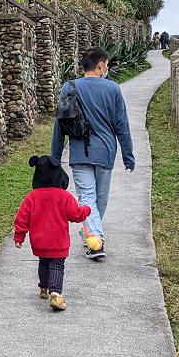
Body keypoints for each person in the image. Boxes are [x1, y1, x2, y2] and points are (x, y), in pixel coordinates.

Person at [51, 47, 134, 260]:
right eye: (106, 64)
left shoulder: (69, 87)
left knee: (87, 197)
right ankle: (96, 240)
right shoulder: (113, 88)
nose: (107, 68)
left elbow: (59, 126)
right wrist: (128, 155)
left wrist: (56, 156)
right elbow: (122, 125)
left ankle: (92, 235)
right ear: (100, 66)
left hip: (79, 152)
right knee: (100, 198)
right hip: (106, 151)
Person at [14, 155, 92, 311]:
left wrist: (19, 236)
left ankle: (43, 288)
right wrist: (86, 209)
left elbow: (22, 217)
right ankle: (55, 294)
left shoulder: (31, 197)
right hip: (58, 241)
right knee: (56, 265)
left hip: (39, 241)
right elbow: (75, 215)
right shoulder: (63, 196)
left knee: (43, 262)